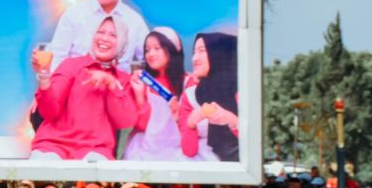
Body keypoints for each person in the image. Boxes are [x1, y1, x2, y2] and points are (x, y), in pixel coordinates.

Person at [30, 17, 138, 160]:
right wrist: (44, 77)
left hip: (95, 150)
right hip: (53, 145)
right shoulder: (71, 65)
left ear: (122, 43)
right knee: (46, 173)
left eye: (113, 35)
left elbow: (125, 121)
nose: (105, 38)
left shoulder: (122, 79)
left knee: (94, 176)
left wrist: (111, 84)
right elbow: (50, 111)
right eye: (101, 32)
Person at [41, 0, 148, 70]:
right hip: (76, 84)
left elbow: (150, 59)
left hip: (118, 86)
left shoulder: (134, 21)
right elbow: (57, 56)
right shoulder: (75, 13)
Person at [124, 27, 187, 161]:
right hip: (144, 152)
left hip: (177, 153)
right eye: (147, 50)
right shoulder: (142, 82)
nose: (151, 54)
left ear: (173, 49)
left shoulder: (188, 82)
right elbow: (141, 126)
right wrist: (140, 96)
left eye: (157, 48)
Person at [181, 33, 241, 162]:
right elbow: (188, 152)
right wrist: (191, 124)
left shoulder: (241, 92)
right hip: (202, 170)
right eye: (194, 52)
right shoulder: (191, 95)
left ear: (219, 53)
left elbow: (255, 142)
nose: (194, 59)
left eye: (202, 51)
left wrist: (233, 121)